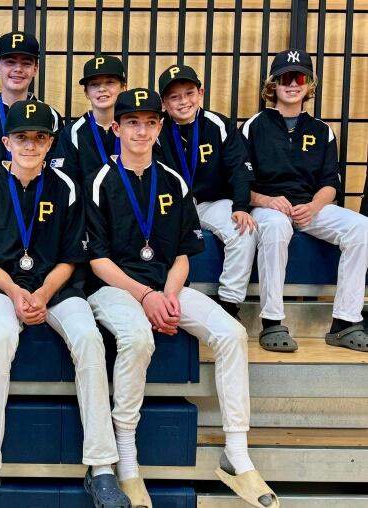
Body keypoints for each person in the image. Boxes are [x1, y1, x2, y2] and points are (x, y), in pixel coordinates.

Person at [86, 89, 278, 508]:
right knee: (138, 339)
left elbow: (183, 254)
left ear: (160, 127)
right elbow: (98, 262)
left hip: (166, 285)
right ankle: (129, 463)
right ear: (116, 128)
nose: (141, 130)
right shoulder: (99, 181)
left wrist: (168, 295)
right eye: (132, 122)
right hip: (114, 291)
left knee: (230, 333)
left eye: (150, 122)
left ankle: (237, 455)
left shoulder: (173, 181)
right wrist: (147, 296)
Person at [0, 100, 130, 508]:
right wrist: (17, 294)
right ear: (6, 142)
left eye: (39, 138)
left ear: (51, 143)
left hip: (56, 288)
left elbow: (73, 257)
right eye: (21, 137)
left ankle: (102, 468)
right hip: (2, 290)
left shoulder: (66, 187)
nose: (30, 145)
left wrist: (41, 295)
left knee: (89, 338)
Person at [242, 49, 368, 353]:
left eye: (299, 77)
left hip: (310, 207)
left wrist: (313, 207)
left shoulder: (322, 130)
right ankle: (272, 322)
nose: (292, 83)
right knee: (273, 228)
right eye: (285, 77)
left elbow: (331, 185)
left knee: (361, 227)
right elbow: (238, 183)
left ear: (309, 84)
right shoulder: (254, 126)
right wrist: (267, 201)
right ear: (273, 84)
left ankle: (344, 322)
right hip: (268, 206)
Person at [155, 64, 257, 319]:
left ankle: (229, 305)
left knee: (243, 230)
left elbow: (239, 169)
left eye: (189, 93)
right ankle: (159, 298)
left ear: (200, 93)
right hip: (171, 206)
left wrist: (241, 207)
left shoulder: (218, 124)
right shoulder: (155, 129)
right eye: (174, 97)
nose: (183, 102)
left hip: (210, 203)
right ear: (165, 103)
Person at [0, 31, 63, 191]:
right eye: (10, 62)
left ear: (35, 69)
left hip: (38, 202)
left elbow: (55, 171)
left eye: (26, 63)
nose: (18, 69)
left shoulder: (51, 115)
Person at [52, 55, 127, 187]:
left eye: (110, 82)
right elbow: (64, 181)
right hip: (85, 206)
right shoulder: (72, 133)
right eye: (94, 84)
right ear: (86, 92)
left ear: (123, 87)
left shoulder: (134, 128)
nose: (102, 89)